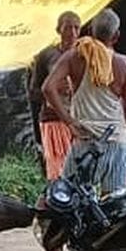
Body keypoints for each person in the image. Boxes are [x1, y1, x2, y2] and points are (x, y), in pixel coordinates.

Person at [42, 8, 126, 193]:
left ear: (91, 31)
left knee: (71, 197)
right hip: (118, 142)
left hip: (86, 142)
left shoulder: (74, 57)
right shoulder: (125, 64)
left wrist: (69, 121)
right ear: (116, 35)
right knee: (113, 206)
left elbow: (48, 88)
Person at [28, 11, 82, 180]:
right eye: (67, 28)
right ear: (58, 30)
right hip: (53, 121)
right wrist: (54, 89)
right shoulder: (46, 55)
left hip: (78, 120)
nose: (72, 33)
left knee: (79, 172)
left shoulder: (85, 54)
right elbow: (33, 92)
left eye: (76, 28)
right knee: (58, 173)